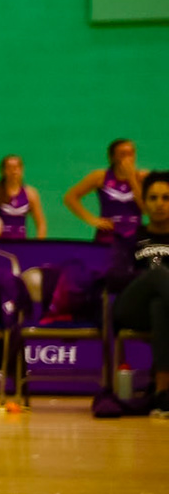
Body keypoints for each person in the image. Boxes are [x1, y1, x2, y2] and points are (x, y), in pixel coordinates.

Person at [111, 171, 169, 416]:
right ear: (144, 203)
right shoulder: (131, 238)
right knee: (157, 274)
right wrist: (147, 278)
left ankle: (163, 396)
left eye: (166, 198)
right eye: (153, 198)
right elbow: (114, 278)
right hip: (132, 308)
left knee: (160, 306)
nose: (159, 204)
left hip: (162, 309)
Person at [64, 139, 143, 243]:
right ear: (112, 157)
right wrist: (92, 219)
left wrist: (131, 178)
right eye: (123, 154)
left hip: (136, 234)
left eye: (131, 154)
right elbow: (70, 197)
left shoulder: (142, 177)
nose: (128, 158)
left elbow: (145, 209)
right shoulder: (100, 176)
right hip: (108, 234)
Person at [0, 155, 46, 240]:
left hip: (21, 247)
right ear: (2, 171)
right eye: (9, 168)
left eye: (16, 167)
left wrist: (38, 247)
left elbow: (41, 224)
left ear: (22, 170)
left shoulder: (31, 194)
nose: (13, 171)